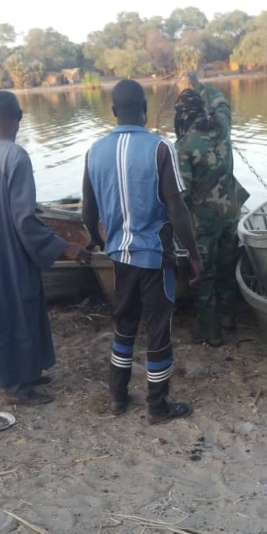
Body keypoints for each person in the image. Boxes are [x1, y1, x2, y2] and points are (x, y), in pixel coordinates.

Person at [81, 79, 203, 425]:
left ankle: (118, 397)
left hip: (120, 256)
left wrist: (98, 240)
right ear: (145, 109)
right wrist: (193, 254)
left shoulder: (94, 152)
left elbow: (88, 211)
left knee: (124, 326)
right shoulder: (160, 149)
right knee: (159, 329)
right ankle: (157, 406)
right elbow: (176, 208)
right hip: (155, 257)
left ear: (114, 111)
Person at [0, 90, 90, 406]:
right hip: (5, 248)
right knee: (14, 311)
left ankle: (26, 370)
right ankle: (16, 385)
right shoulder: (15, 157)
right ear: (18, 116)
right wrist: (64, 247)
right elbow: (24, 219)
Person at [173, 71, 248, 346]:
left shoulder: (183, 148)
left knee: (204, 276)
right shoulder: (223, 130)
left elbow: (180, 194)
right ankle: (230, 318)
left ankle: (212, 333)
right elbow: (221, 102)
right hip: (231, 213)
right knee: (227, 265)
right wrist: (200, 85)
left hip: (203, 222)